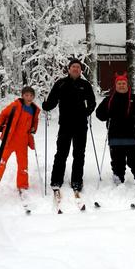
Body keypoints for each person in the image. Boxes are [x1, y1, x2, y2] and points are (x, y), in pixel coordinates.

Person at [42, 58, 96, 192]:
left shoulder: (85, 84)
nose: (76, 69)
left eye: (78, 67)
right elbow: (52, 101)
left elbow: (92, 102)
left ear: (80, 70)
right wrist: (46, 105)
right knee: (61, 152)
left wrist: (86, 112)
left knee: (79, 154)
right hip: (65, 124)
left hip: (80, 124)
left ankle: (77, 180)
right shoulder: (60, 84)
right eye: (73, 67)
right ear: (69, 69)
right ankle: (56, 179)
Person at [95, 72, 135, 189]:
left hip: (132, 136)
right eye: (119, 83)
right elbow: (99, 114)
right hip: (115, 136)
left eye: (123, 83)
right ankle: (118, 176)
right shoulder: (109, 100)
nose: (121, 85)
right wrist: (106, 115)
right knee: (117, 160)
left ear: (127, 84)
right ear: (116, 85)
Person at [0, 86, 40, 197]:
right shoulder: (16, 105)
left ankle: (22, 185)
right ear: (22, 96)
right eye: (27, 95)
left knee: (23, 164)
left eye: (31, 96)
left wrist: (33, 128)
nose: (29, 98)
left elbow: (35, 122)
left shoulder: (34, 109)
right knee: (2, 159)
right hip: (10, 139)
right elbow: (3, 114)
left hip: (23, 141)